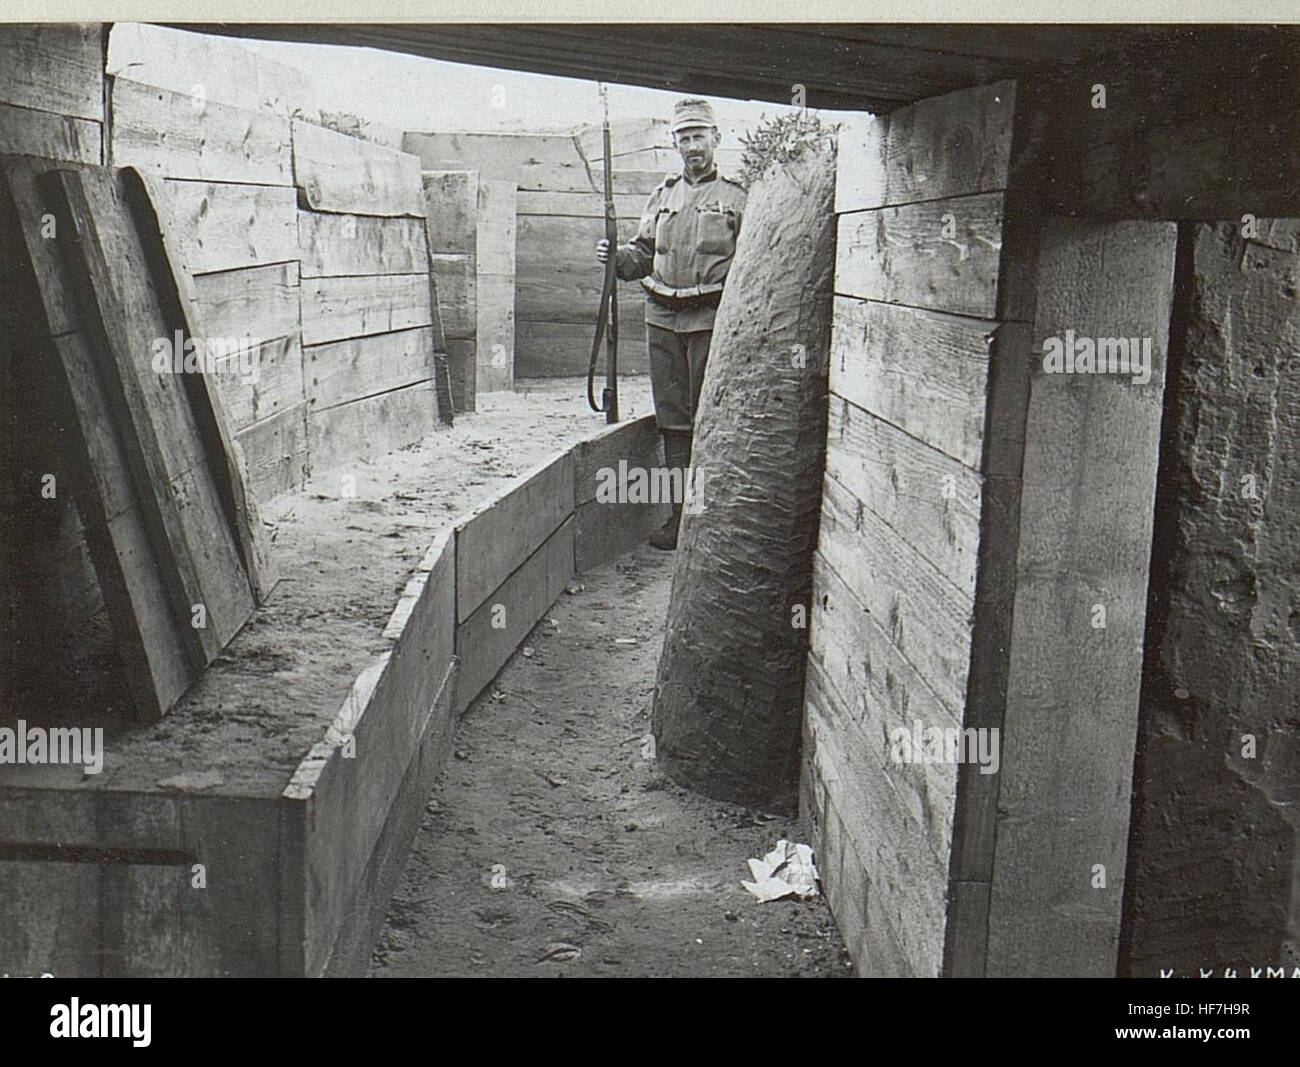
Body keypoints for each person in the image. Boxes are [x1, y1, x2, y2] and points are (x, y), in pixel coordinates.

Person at [596, 97, 747, 550]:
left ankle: (712, 521)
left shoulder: (738, 197)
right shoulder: (661, 197)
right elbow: (641, 254)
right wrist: (616, 257)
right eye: (684, 138)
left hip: (710, 320)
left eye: (699, 136)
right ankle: (679, 519)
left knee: (711, 419)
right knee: (673, 421)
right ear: (675, 144)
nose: (692, 146)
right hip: (662, 319)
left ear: (716, 139)